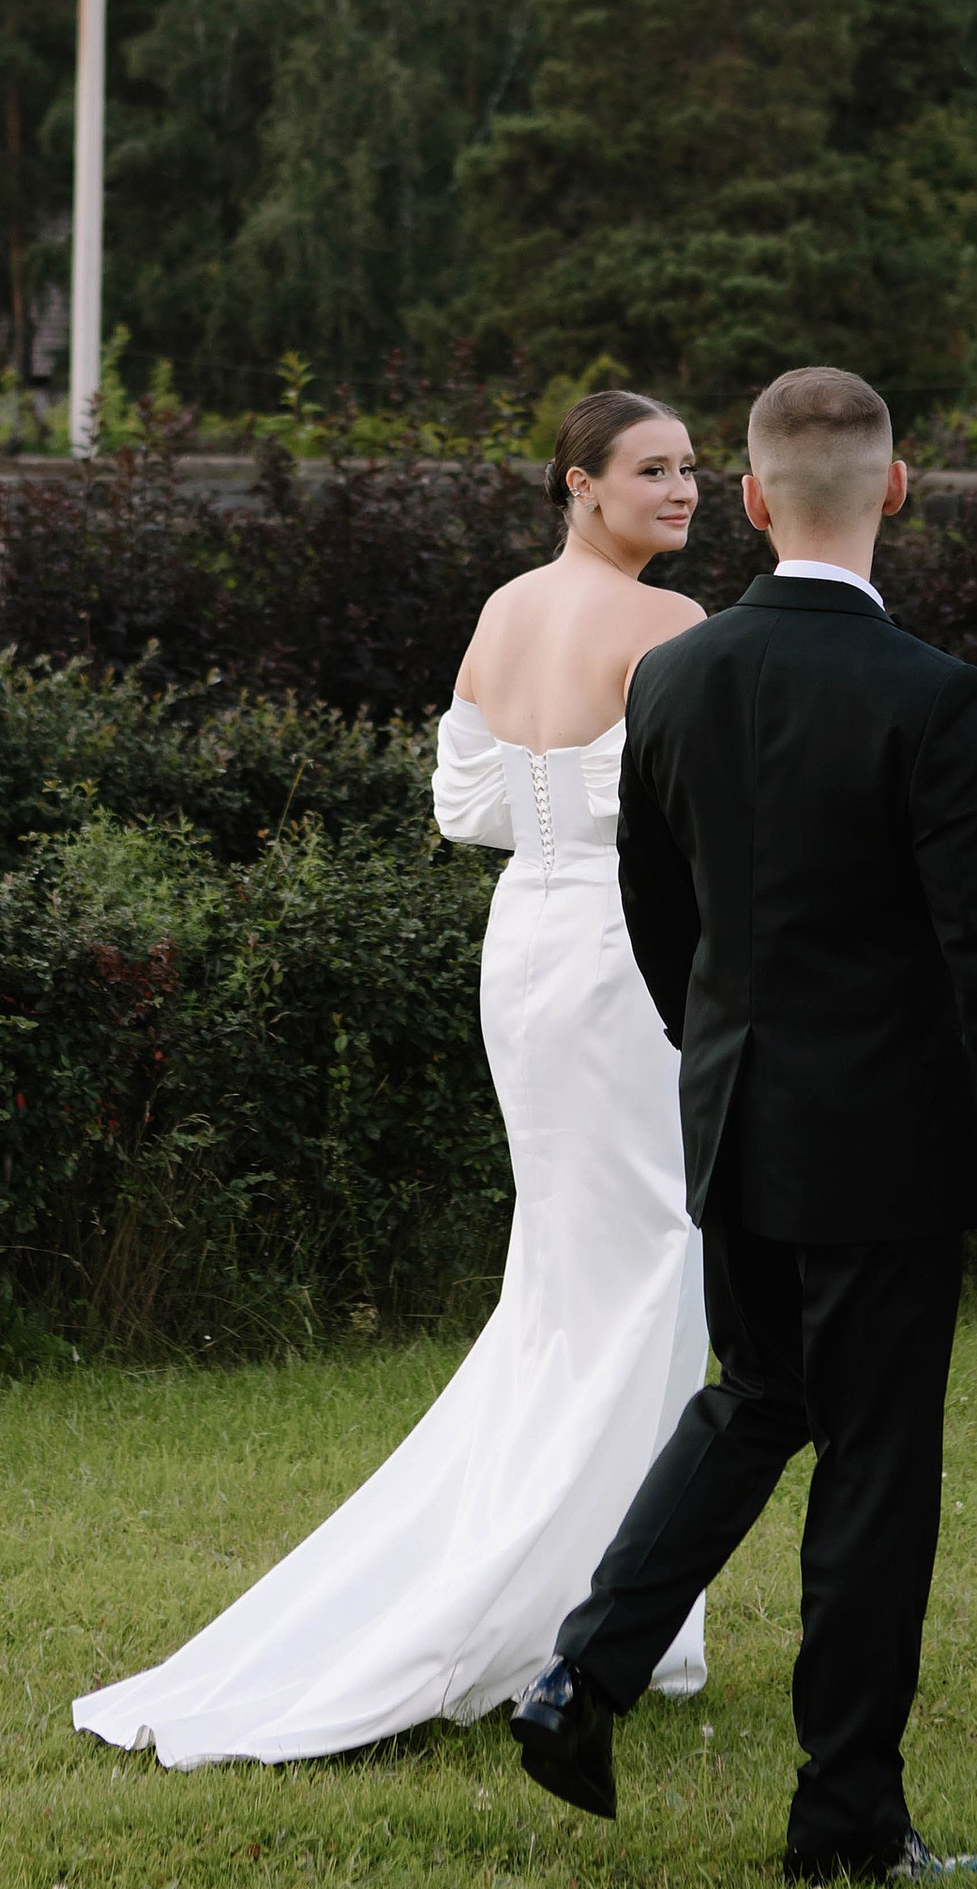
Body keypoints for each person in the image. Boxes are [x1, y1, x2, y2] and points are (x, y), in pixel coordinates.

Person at [509, 363, 977, 1887]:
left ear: (754, 501)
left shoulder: (681, 677)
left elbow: (653, 903)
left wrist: (716, 1053)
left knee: (756, 1399)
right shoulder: (933, 696)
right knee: (875, 1467)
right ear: (894, 490)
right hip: (885, 1146)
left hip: (736, 1122)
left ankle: (582, 1673)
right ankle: (843, 1826)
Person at [73, 389, 712, 1767]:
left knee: (573, 1262)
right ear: (578, 484)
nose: (684, 489)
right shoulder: (671, 630)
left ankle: (626, 1602)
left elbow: (465, 804)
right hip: (627, 954)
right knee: (655, 1254)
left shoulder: (502, 611)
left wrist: (561, 824)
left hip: (528, 940)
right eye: (654, 469)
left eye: (695, 469)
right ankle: (595, 1605)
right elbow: (713, 818)